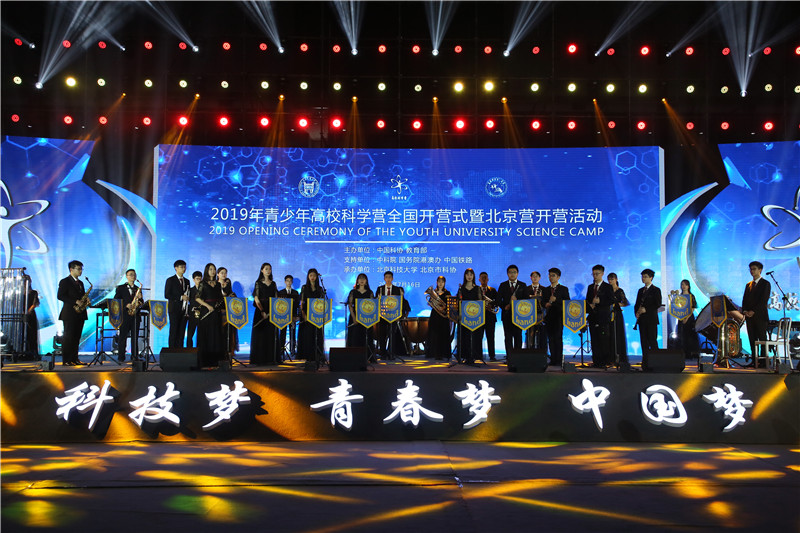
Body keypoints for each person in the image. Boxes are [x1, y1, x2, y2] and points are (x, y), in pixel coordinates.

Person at [57, 260, 88, 366]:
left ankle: (75, 358)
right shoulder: (65, 281)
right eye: (78, 269)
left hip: (80, 313)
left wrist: (85, 300)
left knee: (76, 337)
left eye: (81, 269)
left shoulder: (81, 283)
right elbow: (60, 296)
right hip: (69, 313)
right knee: (68, 337)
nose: (80, 271)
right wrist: (75, 301)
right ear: (71, 269)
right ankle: (67, 360)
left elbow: (81, 295)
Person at [195, 263, 226, 367]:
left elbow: (220, 297)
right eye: (210, 269)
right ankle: (205, 360)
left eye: (214, 269)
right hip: (206, 311)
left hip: (216, 312)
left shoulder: (218, 284)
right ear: (207, 271)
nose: (213, 271)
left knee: (216, 334)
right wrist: (207, 306)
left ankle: (215, 360)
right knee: (206, 335)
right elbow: (197, 298)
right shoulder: (202, 283)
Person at [741, 261, 771, 368]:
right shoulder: (748, 285)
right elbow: (744, 300)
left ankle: (763, 361)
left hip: (760, 316)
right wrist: (745, 311)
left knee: (762, 339)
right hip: (749, 317)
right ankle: (754, 360)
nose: (752, 271)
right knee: (752, 339)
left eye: (754, 269)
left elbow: (763, 300)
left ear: (760, 270)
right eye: (750, 269)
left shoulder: (765, 283)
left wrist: (753, 311)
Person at [585, 264, 615, 367]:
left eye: (597, 274)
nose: (595, 276)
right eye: (593, 274)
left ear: (602, 274)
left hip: (603, 317)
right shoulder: (590, 287)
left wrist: (600, 301)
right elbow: (587, 300)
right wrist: (590, 305)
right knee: (594, 340)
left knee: (604, 340)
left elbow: (611, 300)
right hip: (593, 317)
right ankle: (596, 361)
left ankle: (605, 361)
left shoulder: (607, 287)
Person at [376, 271, 408, 359]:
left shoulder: (397, 289)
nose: (388, 279)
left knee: (392, 335)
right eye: (386, 277)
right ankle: (383, 353)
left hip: (393, 315)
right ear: (384, 279)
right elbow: (376, 301)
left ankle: (391, 353)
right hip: (382, 315)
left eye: (390, 277)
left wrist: (399, 315)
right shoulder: (380, 289)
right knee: (382, 335)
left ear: (392, 279)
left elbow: (400, 303)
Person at [251, 262, 279, 365]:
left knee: (271, 334)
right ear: (262, 270)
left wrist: (273, 310)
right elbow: (256, 298)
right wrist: (262, 310)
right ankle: (260, 358)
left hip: (271, 311)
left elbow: (276, 298)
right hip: (261, 310)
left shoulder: (273, 283)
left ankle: (271, 358)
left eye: (270, 269)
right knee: (260, 335)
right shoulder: (258, 283)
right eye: (266, 269)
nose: (268, 271)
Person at [541, 268, 570, 366]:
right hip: (549, 317)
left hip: (558, 316)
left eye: (553, 275)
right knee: (550, 339)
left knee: (558, 338)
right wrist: (545, 304)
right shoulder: (545, 289)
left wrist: (556, 300)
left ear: (558, 277)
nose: (551, 277)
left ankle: (558, 359)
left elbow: (567, 302)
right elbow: (542, 302)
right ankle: (553, 359)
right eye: (549, 275)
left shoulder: (563, 289)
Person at [498, 264, 528, 355]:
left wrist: (517, 301)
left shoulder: (522, 285)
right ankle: (510, 356)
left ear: (517, 274)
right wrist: (504, 306)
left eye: (514, 272)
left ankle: (517, 356)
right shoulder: (503, 285)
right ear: (507, 274)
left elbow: (526, 300)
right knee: (508, 337)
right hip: (507, 315)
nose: (512, 274)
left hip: (519, 315)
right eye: (510, 272)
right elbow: (498, 300)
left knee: (518, 336)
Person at [114, 269, 142, 363]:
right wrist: (126, 305)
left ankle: (134, 356)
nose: (133, 276)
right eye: (131, 275)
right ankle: (121, 356)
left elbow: (141, 302)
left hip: (135, 316)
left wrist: (140, 299)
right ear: (126, 276)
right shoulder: (121, 288)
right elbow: (116, 300)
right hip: (125, 315)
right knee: (123, 336)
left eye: (134, 275)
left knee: (135, 337)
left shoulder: (138, 288)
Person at [457, 268, 484, 364]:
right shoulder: (461, 289)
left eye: (471, 274)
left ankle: (474, 356)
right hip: (464, 317)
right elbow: (458, 302)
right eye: (467, 274)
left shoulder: (477, 288)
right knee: (465, 336)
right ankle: (466, 356)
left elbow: (480, 302)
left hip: (475, 317)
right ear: (465, 276)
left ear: (473, 276)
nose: (469, 276)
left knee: (475, 336)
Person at [298, 268, 325, 362]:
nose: (312, 277)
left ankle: (317, 356)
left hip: (317, 315)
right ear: (308, 277)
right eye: (311, 275)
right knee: (308, 336)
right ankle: (307, 356)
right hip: (307, 314)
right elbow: (302, 302)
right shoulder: (304, 287)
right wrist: (303, 314)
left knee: (317, 335)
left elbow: (322, 302)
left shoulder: (320, 289)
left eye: (314, 275)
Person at [346, 273, 375, 359]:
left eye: (364, 278)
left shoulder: (370, 292)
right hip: (355, 317)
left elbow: (373, 305)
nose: (362, 280)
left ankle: (367, 357)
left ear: (366, 281)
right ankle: (354, 357)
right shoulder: (353, 292)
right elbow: (350, 305)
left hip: (367, 318)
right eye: (360, 278)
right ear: (357, 281)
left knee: (366, 337)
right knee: (355, 337)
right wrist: (354, 317)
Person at [634, 268, 662, 355]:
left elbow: (657, 304)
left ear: (651, 278)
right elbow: (637, 303)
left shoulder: (656, 290)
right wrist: (636, 312)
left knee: (652, 340)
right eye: (642, 277)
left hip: (651, 319)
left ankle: (655, 360)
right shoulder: (640, 290)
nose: (643, 278)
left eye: (645, 277)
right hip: (642, 319)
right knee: (643, 341)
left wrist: (646, 309)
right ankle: (645, 359)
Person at [165, 259, 191, 348]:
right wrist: (180, 297)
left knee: (182, 332)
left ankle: (180, 350)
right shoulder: (170, 280)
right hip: (174, 309)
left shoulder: (187, 281)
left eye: (184, 267)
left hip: (184, 310)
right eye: (181, 267)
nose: (183, 269)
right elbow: (167, 295)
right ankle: (172, 351)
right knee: (174, 331)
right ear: (176, 268)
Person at [426, 275, 452, 360]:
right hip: (435, 315)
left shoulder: (447, 293)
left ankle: (443, 354)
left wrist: (443, 308)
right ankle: (434, 353)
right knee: (434, 334)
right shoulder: (433, 292)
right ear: (436, 282)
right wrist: (432, 303)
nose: (440, 283)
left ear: (444, 283)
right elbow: (430, 303)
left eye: (442, 282)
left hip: (443, 316)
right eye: (439, 282)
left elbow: (449, 304)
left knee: (443, 334)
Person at [608, 272, 630, 369]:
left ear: (616, 279)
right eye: (609, 279)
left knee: (617, 335)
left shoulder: (620, 291)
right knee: (609, 335)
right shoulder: (607, 290)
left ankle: (619, 358)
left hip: (617, 315)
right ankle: (610, 358)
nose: (610, 281)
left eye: (612, 279)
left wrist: (616, 305)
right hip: (608, 314)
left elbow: (625, 302)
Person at [676, 279, 700, 360]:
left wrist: (687, 317)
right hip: (681, 317)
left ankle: (690, 353)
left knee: (689, 335)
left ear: (688, 286)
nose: (683, 286)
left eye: (685, 285)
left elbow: (692, 308)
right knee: (681, 335)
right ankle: (682, 353)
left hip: (689, 318)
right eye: (682, 284)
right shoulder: (679, 296)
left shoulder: (691, 296)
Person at [278, 275, 300, 359]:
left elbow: (297, 305)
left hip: (293, 316)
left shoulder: (295, 293)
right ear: (285, 282)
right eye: (287, 281)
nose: (289, 282)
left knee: (293, 333)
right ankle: (281, 350)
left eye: (290, 281)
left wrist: (296, 316)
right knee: (282, 333)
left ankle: (292, 350)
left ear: (292, 282)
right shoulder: (280, 292)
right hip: (283, 316)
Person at [217, 266, 238, 355]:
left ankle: (228, 352)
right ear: (218, 274)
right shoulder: (215, 285)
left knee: (228, 334)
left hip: (228, 314)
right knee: (219, 333)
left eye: (225, 273)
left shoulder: (228, 285)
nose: (224, 275)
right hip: (218, 313)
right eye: (222, 273)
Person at [478, 272, 499, 361]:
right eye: (482, 278)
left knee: (491, 337)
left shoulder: (493, 290)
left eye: (485, 278)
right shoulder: (476, 290)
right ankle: (478, 355)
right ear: (479, 279)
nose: (484, 279)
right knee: (479, 337)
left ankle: (492, 355)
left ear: (488, 279)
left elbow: (497, 301)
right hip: (479, 317)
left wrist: (491, 304)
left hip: (490, 317)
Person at [525, 271, 547, 350]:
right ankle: (530, 350)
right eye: (533, 276)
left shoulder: (544, 289)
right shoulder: (526, 289)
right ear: (530, 278)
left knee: (542, 335)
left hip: (541, 316)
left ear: (539, 278)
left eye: (536, 276)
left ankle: (543, 351)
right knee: (530, 335)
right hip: (529, 316)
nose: (535, 278)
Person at [186, 271, 202, 348]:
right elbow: (190, 300)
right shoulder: (190, 290)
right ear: (193, 279)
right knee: (190, 334)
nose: (199, 280)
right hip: (192, 314)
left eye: (200, 279)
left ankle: (200, 350)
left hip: (202, 313)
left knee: (201, 335)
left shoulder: (204, 290)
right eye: (197, 279)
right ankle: (189, 350)